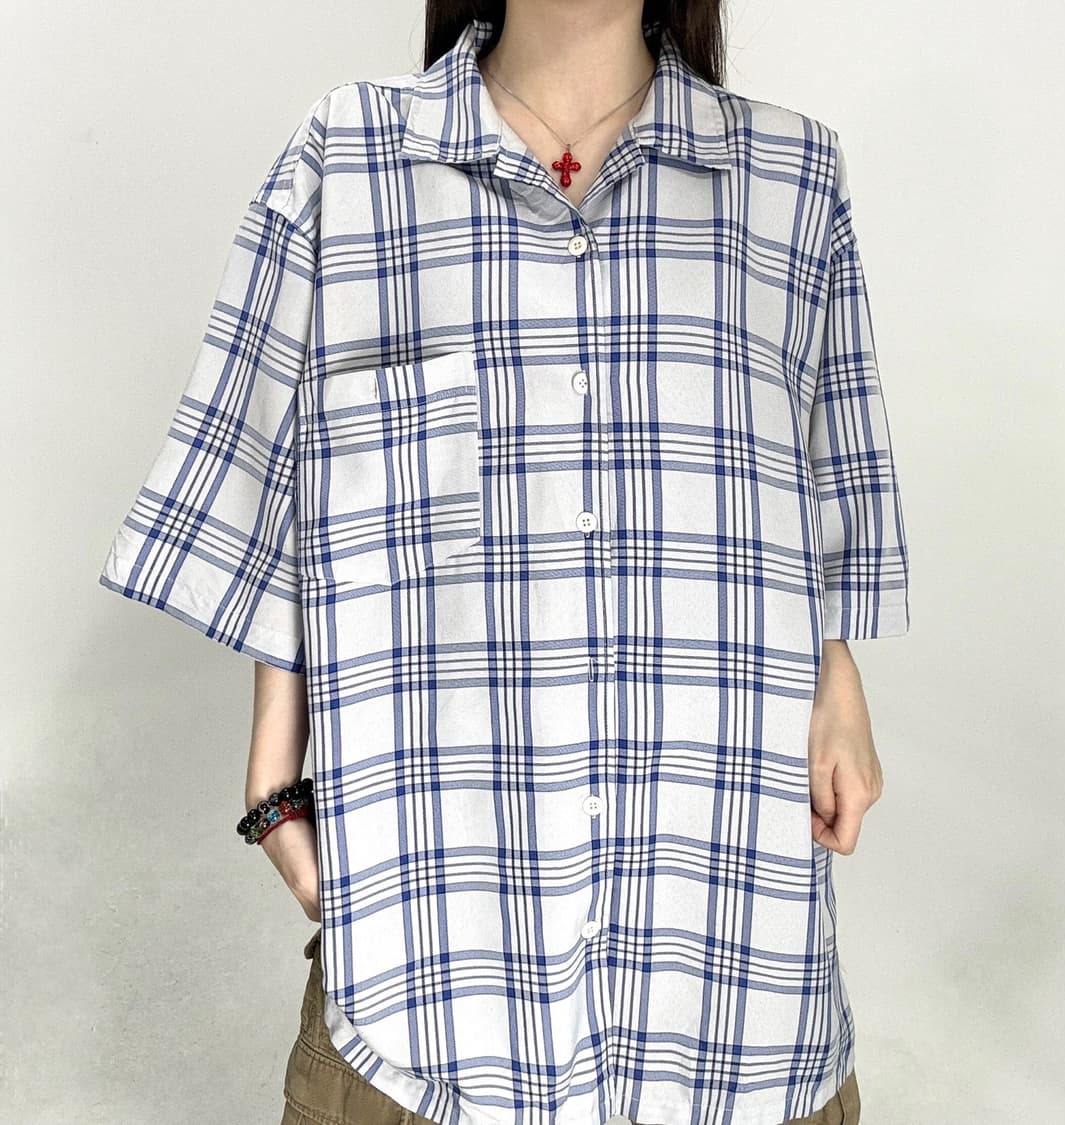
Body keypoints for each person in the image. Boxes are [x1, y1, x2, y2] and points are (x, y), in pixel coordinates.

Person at [98, 1, 909, 1122]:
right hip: (426, 971)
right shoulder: (351, 157)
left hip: (727, 972)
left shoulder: (792, 177)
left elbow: (820, 477)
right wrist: (273, 772)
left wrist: (836, 671)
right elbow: (267, 471)